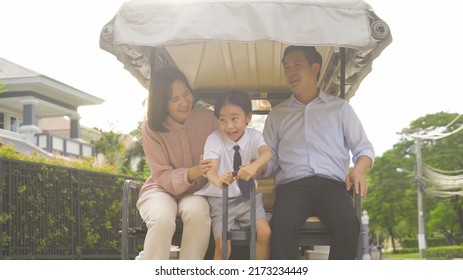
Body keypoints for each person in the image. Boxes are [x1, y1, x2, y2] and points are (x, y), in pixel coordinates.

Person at [262, 45, 375, 260]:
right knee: (281, 223)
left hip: (331, 187)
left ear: (315, 68)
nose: (290, 72)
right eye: (286, 67)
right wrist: (258, 166)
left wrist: (358, 171)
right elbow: (270, 160)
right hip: (292, 188)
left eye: (297, 66)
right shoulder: (277, 115)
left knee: (348, 222)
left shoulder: (340, 109)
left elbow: (364, 148)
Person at [136, 67, 219, 260]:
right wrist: (196, 171)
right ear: (162, 103)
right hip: (160, 189)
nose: (184, 103)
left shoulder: (210, 119)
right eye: (174, 99)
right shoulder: (151, 127)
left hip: (195, 192)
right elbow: (162, 175)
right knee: (162, 219)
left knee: (199, 214)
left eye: (186, 94)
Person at [195, 90, 272, 260]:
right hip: (220, 200)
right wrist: (220, 180)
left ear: (248, 118)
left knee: (265, 233)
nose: (228, 126)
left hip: (248, 198)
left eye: (234, 119)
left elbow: (266, 154)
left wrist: (253, 167)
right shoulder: (214, 139)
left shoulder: (254, 136)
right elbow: (210, 169)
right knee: (223, 244)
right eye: (222, 120)